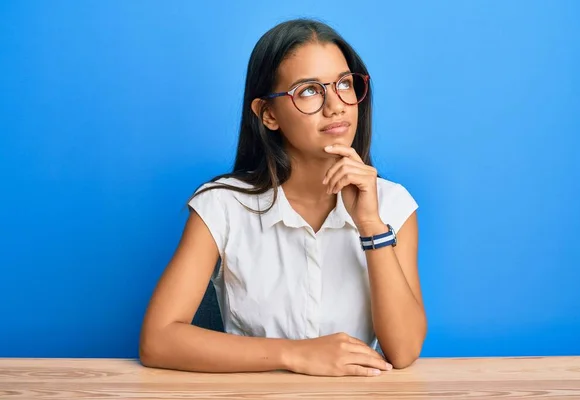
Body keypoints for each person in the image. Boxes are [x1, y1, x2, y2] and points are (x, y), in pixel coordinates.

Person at [139, 18, 427, 377]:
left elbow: (403, 351)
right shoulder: (222, 205)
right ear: (268, 114)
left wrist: (371, 225)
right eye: (308, 90)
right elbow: (158, 340)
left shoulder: (393, 204)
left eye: (343, 84)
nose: (335, 105)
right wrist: (297, 354)